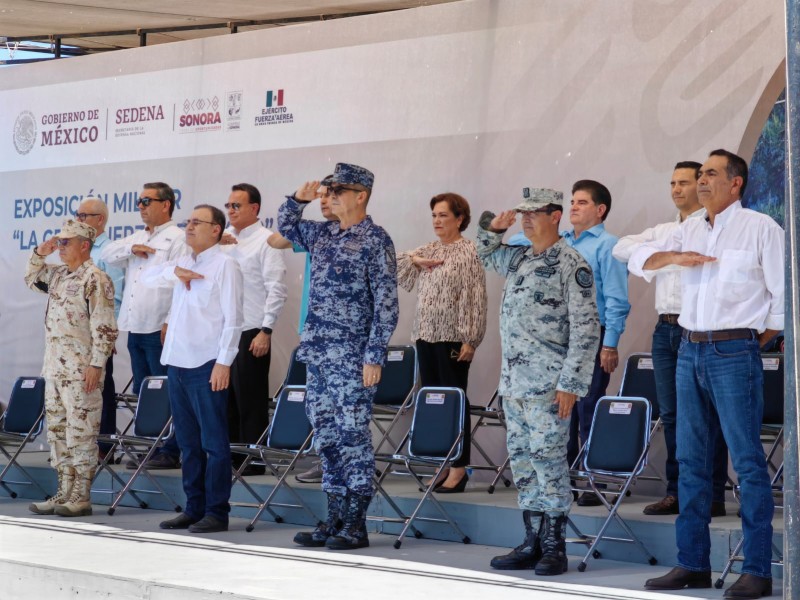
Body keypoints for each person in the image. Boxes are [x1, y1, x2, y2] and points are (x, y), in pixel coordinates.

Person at [631, 150, 781, 599]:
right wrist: (671, 257)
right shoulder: (689, 229)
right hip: (688, 348)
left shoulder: (760, 228)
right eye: (698, 175)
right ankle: (692, 563)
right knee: (691, 462)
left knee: (748, 462)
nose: (700, 182)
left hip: (735, 349)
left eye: (710, 174)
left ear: (735, 183)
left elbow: (783, 295)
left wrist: (752, 342)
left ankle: (757, 569)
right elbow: (636, 256)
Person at [478, 188, 600, 576]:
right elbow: (482, 253)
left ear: (556, 216)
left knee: (549, 461)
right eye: (523, 213)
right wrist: (491, 228)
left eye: (535, 213)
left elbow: (586, 328)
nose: (527, 219)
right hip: (514, 383)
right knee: (524, 461)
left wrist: (571, 383)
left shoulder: (570, 263)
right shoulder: (516, 257)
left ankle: (554, 546)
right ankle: (531, 540)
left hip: (550, 384)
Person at [279, 163, 398, 550]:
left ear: (361, 195)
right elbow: (286, 227)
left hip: (352, 357)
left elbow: (386, 304)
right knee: (326, 437)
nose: (329, 196)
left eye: (338, 190)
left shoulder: (376, 240)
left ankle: (356, 523)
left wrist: (374, 355)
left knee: (352, 437)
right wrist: (299, 199)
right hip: (317, 355)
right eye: (327, 190)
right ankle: (334, 516)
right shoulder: (324, 233)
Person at [612, 162, 729, 518]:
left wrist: (657, 260)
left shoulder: (714, 228)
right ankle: (679, 492)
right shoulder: (665, 230)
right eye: (672, 183)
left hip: (700, 327)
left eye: (684, 182)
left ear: (703, 184)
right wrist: (673, 258)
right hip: (665, 328)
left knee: (709, 415)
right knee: (674, 415)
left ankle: (712, 495)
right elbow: (621, 248)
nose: (676, 189)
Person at [144, 205, 243, 534]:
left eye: (197, 222)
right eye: (188, 222)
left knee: (214, 443)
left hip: (206, 364)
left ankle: (217, 511)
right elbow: (147, 277)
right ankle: (194, 507)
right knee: (187, 442)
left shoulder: (225, 265)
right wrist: (176, 273)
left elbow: (233, 319)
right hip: (177, 363)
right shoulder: (183, 261)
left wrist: (224, 362)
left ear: (216, 229)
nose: (189, 227)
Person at [26, 220, 118, 518]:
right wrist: (41, 252)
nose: (61, 247)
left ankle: (82, 494)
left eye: (66, 243)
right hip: (54, 368)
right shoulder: (59, 276)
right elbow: (31, 278)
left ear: (84, 245)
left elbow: (104, 326)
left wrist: (97, 365)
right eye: (60, 242)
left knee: (81, 432)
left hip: (81, 370)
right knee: (57, 432)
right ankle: (64, 490)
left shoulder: (96, 278)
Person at [396, 192, 487, 492]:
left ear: (460, 218)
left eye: (443, 215)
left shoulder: (469, 251)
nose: (437, 220)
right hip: (425, 334)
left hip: (453, 338)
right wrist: (413, 258)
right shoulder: (430, 248)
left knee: (453, 401)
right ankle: (442, 463)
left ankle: (459, 468)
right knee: (432, 402)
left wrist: (470, 339)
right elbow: (392, 266)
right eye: (434, 214)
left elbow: (475, 298)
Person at [100, 182, 186, 470]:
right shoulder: (137, 236)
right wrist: (131, 247)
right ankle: (150, 445)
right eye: (139, 201)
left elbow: (180, 283)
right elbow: (107, 254)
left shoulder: (177, 237)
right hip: (134, 325)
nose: (141, 206)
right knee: (143, 391)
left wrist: (169, 320)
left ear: (166, 204)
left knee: (166, 390)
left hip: (159, 326)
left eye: (147, 201)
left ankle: (171, 449)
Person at [562, 180, 630, 506]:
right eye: (572, 201)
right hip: (557, 339)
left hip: (593, 337)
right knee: (561, 414)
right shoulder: (558, 241)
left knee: (588, 409)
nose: (573, 207)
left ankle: (592, 482)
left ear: (600, 209)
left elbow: (617, 298)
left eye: (582, 202)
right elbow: (518, 241)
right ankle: (564, 481)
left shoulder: (608, 245)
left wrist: (611, 343)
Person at [268, 175, 338, 485]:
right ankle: (324, 459)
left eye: (330, 195)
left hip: (343, 337)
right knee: (317, 402)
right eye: (320, 196)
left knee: (341, 404)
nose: (323, 200)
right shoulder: (316, 233)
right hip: (313, 329)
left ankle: (345, 462)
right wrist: (301, 205)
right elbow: (277, 240)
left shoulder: (362, 237)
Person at [221, 183, 287, 476]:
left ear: (254, 209)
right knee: (226, 399)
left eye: (236, 206)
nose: (230, 211)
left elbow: (277, 288)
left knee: (250, 398)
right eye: (228, 206)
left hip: (252, 330)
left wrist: (266, 329)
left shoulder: (266, 241)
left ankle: (253, 461)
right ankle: (233, 457)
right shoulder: (223, 240)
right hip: (225, 330)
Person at [75, 197, 125, 462]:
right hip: (75, 337)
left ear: (101, 220)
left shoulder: (110, 251)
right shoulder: (76, 248)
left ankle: (104, 446)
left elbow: (115, 296)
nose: (79, 220)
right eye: (78, 215)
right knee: (78, 389)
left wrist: (109, 333)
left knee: (102, 388)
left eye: (85, 216)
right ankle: (79, 444)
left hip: (98, 335)